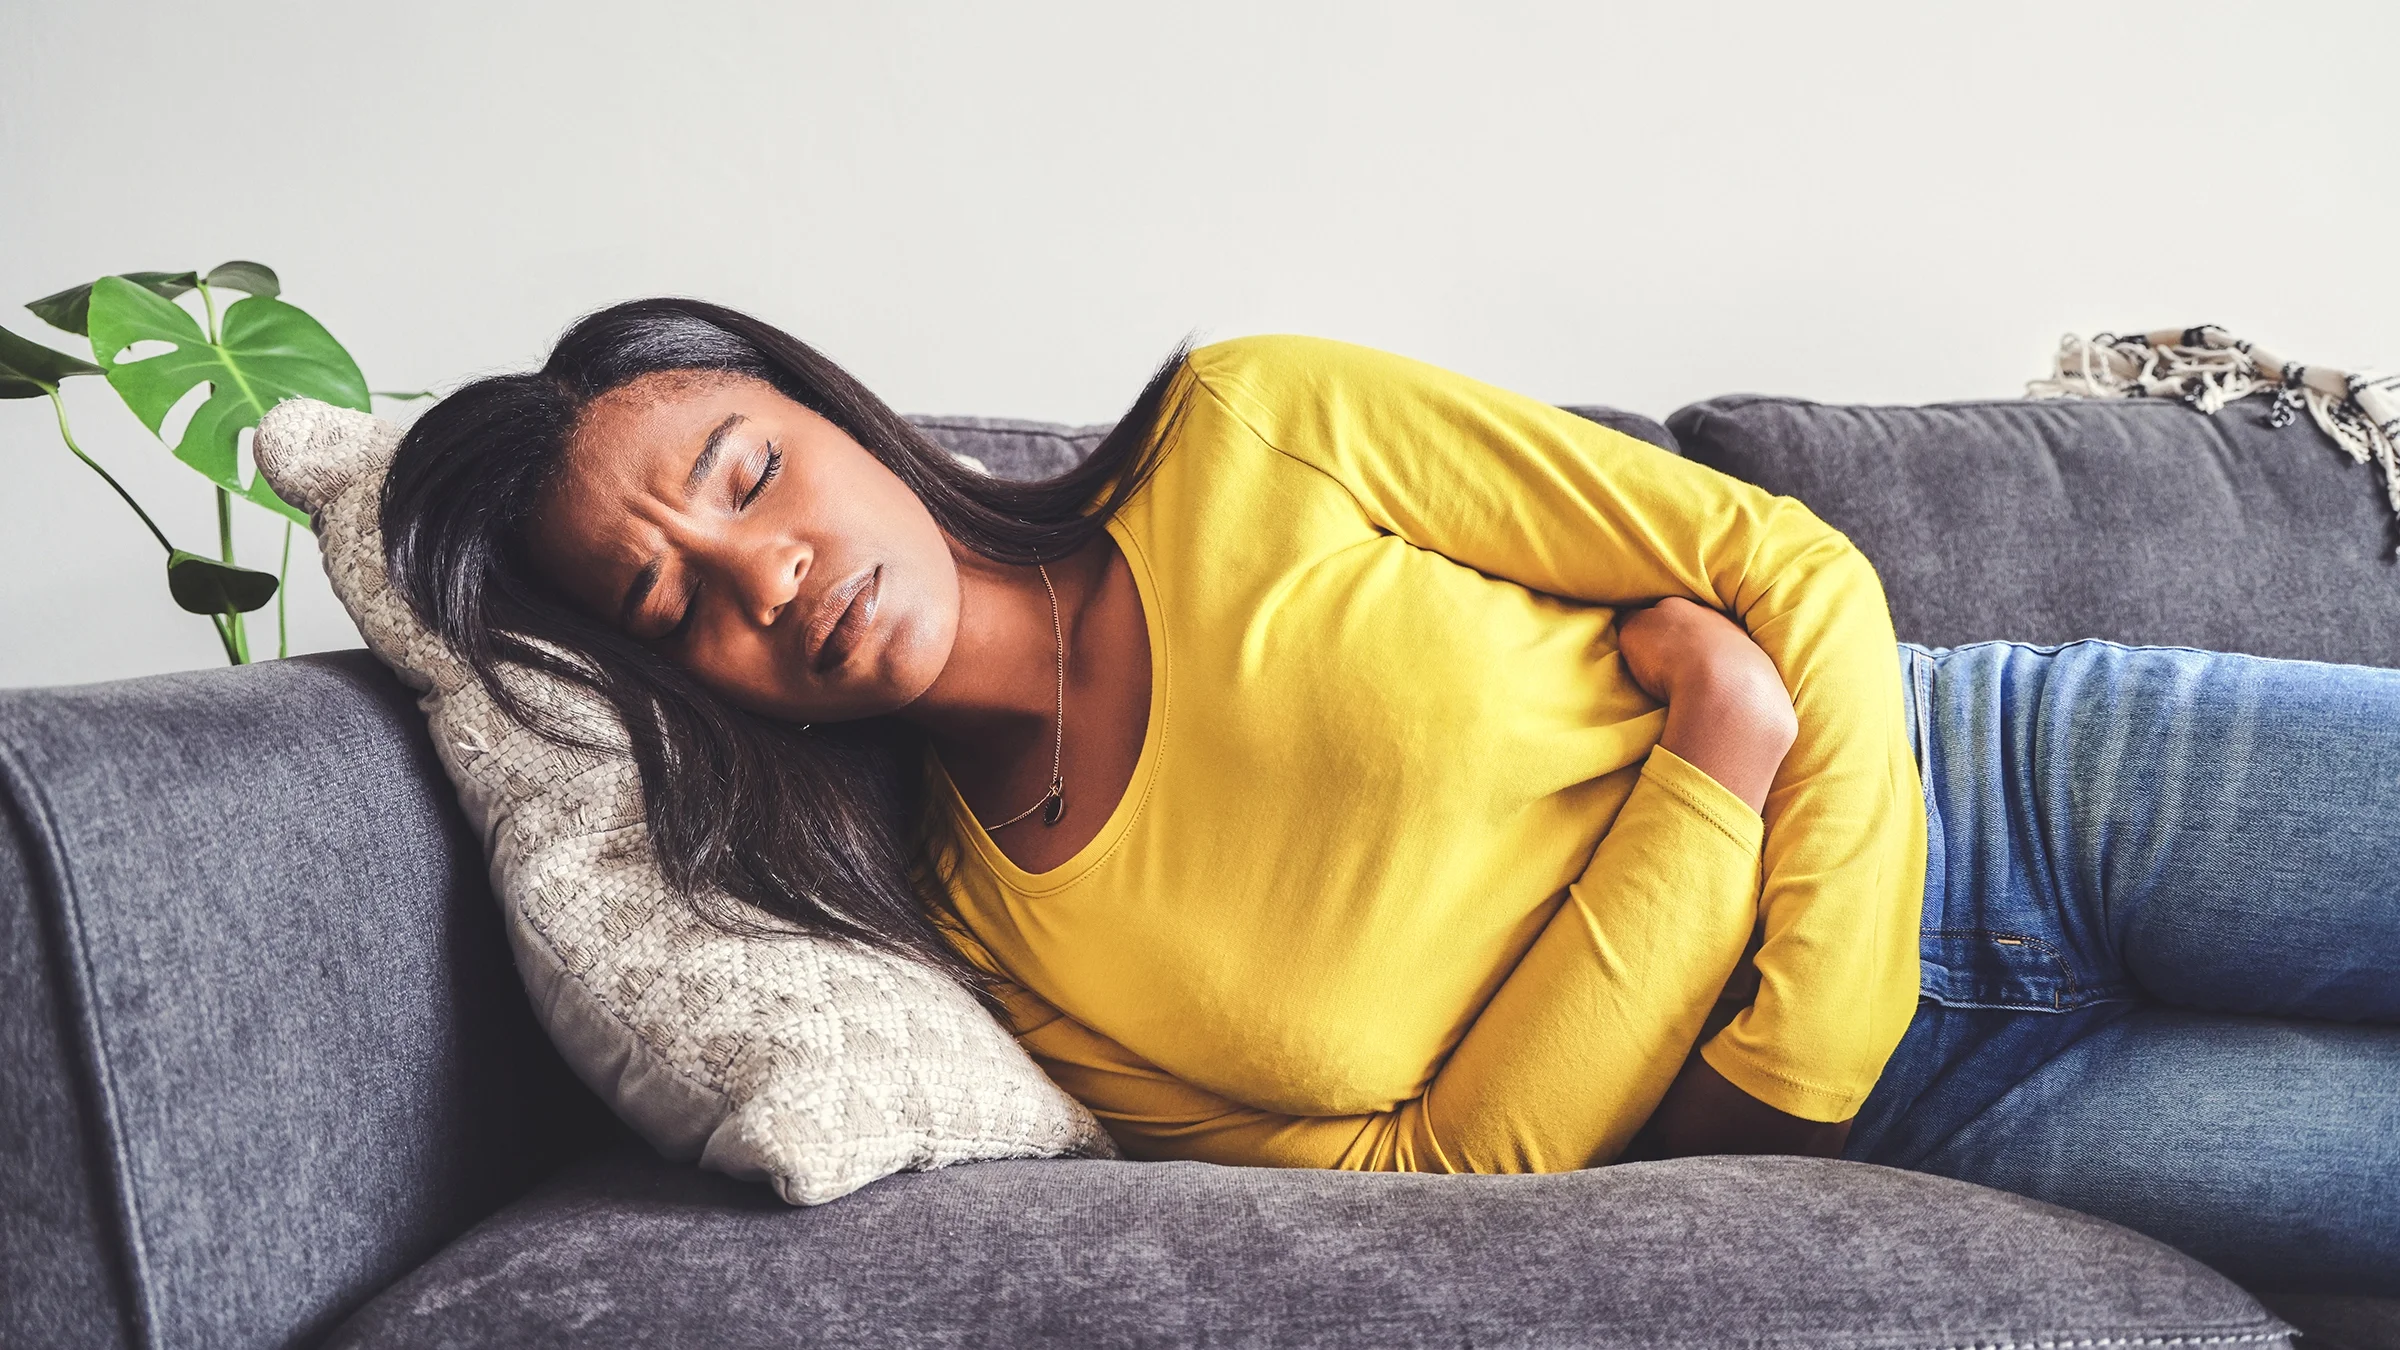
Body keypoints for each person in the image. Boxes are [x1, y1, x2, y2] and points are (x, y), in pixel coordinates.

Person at [381, 297, 2399, 1294]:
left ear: (832, 415)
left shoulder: (1251, 427)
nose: (764, 576)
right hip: (1930, 1105)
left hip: (2030, 775)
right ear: (684, 688)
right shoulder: (1007, 948)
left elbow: (1783, 568)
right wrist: (1714, 767)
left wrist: (1787, 1017)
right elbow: (1451, 1170)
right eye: (675, 605)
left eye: (746, 476)